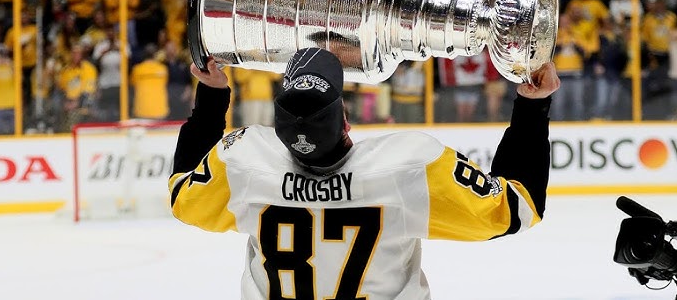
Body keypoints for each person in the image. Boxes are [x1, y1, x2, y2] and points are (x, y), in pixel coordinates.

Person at [169, 48, 560, 299]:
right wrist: (532, 106)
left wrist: (212, 96)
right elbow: (516, 208)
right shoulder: (408, 167)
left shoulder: (245, 162)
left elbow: (182, 195)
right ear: (346, 121)